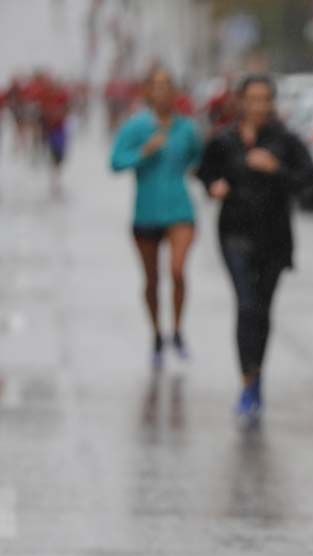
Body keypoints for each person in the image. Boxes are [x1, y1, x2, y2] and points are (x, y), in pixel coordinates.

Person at [196, 73, 313, 423]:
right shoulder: (224, 140)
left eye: (266, 99)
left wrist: (276, 169)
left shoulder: (286, 142)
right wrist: (213, 186)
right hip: (234, 233)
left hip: (274, 237)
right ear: (240, 102)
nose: (260, 106)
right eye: (253, 99)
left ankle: (257, 376)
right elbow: (204, 172)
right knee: (246, 305)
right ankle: (247, 382)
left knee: (263, 310)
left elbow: (311, 185)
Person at [111, 67, 203, 370]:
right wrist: (143, 153)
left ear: (176, 93)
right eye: (157, 86)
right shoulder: (137, 128)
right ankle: (156, 334)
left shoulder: (187, 129)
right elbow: (115, 162)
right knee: (152, 279)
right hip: (146, 211)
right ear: (148, 92)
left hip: (180, 210)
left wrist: (203, 175)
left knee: (177, 270)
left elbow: (200, 158)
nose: (163, 92)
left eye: (168, 86)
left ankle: (177, 329)